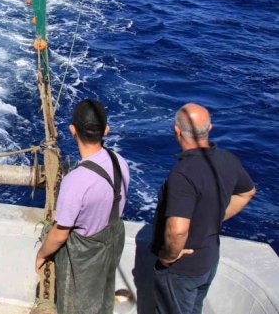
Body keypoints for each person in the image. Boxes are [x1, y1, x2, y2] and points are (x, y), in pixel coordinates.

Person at [151, 103, 256, 314]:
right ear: (209, 128)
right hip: (209, 260)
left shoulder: (182, 173)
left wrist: (169, 256)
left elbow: (177, 230)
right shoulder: (228, 159)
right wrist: (214, 218)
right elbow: (247, 192)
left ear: (177, 131)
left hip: (182, 269)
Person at [35, 99, 130, 314]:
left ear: (72, 130)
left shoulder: (75, 181)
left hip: (84, 256)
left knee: (75, 306)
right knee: (103, 297)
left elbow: (60, 233)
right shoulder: (120, 162)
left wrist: (42, 254)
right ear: (106, 130)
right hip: (112, 244)